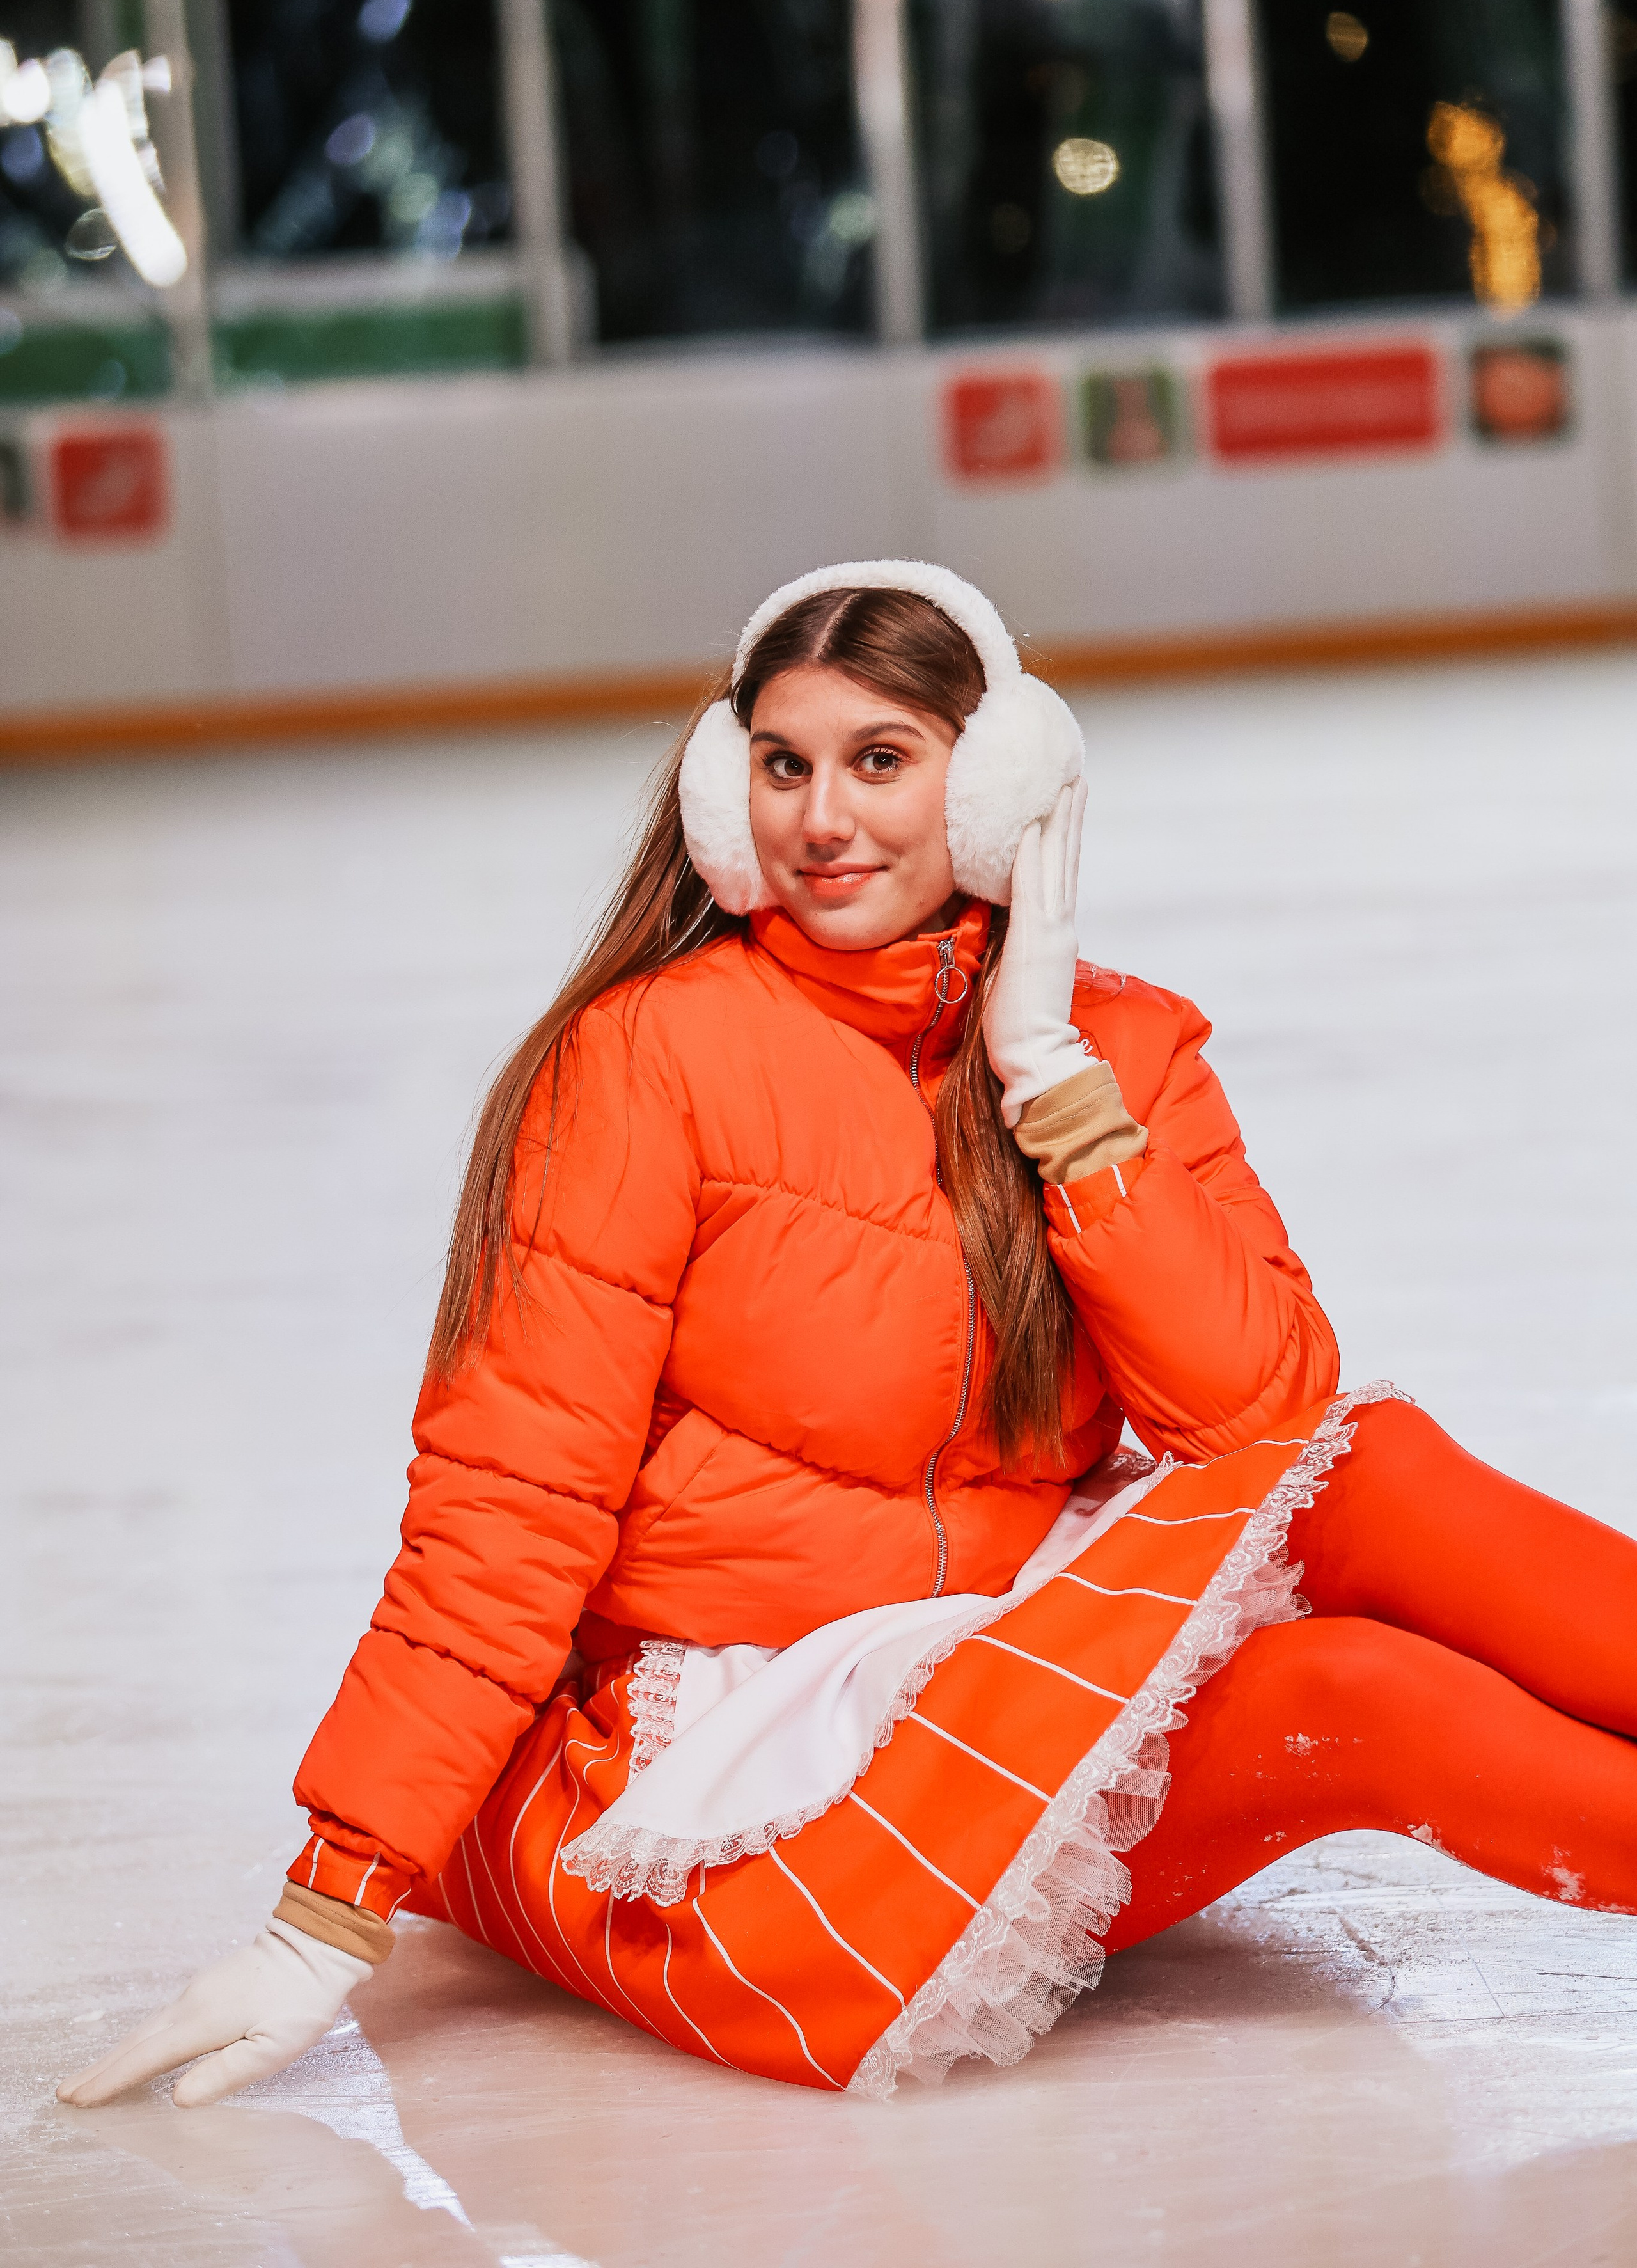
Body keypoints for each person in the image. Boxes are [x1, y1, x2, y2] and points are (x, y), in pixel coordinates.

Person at [59, 562, 1637, 2109]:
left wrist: (1050, 1082)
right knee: (1355, 1695)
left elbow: (1264, 1424)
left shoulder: (1119, 1052)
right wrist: (327, 1905)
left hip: (1007, 1649)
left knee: (1371, 1462)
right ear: (715, 794)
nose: (822, 819)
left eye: (880, 763)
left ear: (995, 789)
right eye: (780, 765)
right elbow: (509, 1502)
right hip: (779, 1763)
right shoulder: (649, 1061)